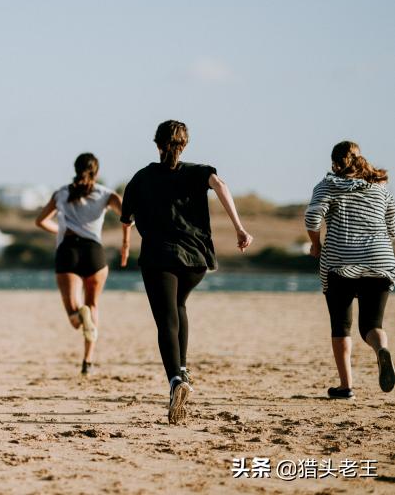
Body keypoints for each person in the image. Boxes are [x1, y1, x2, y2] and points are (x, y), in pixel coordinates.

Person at [121, 120, 253, 425]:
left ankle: (175, 380)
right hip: (196, 260)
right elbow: (220, 185)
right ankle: (182, 368)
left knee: (166, 320)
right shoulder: (199, 171)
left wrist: (128, 239)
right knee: (179, 306)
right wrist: (239, 228)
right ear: (185, 144)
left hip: (159, 258)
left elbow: (125, 218)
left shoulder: (141, 178)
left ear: (156, 143)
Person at [305, 141, 395, 400]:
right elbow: (394, 227)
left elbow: (312, 217)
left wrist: (315, 244)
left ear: (334, 162)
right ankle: (381, 351)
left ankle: (346, 387)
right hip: (380, 260)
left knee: (341, 326)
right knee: (372, 324)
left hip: (339, 262)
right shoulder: (381, 189)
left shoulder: (327, 185)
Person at [35, 153, 128, 375]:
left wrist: (60, 230)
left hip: (68, 252)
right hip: (94, 253)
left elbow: (40, 221)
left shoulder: (62, 193)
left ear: (76, 169)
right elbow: (128, 216)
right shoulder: (106, 194)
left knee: (75, 317)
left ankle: (79, 315)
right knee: (93, 305)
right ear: (96, 172)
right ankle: (88, 360)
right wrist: (125, 244)